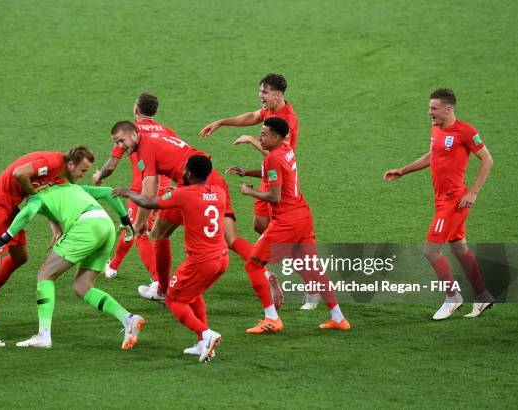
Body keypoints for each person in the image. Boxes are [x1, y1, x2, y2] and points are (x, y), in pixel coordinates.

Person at [111, 120, 259, 306]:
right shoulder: (154, 139)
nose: (120, 146)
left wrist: (140, 224)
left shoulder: (145, 149)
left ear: (134, 135)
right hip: (213, 179)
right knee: (230, 238)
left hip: (193, 184)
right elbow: (155, 182)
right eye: (116, 143)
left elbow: (148, 193)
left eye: (121, 141)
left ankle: (163, 290)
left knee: (158, 233)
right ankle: (264, 271)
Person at [0, 178, 144, 349]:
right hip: (106, 226)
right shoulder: (70, 186)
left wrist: (5, 238)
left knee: (45, 275)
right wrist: (125, 222)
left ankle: (43, 335)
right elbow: (109, 192)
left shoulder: (38, 197)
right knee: (82, 286)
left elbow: (26, 214)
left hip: (86, 227)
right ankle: (128, 319)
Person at [227, 117, 350, 333]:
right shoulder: (286, 149)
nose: (260, 137)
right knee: (314, 269)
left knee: (253, 265)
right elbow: (277, 174)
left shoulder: (273, 158)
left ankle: (272, 319)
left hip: (286, 221)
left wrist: (251, 192)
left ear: (275, 137)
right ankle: (339, 318)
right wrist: (246, 171)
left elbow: (274, 197)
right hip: (303, 215)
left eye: (264, 134)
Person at [384, 88, 494, 320]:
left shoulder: (466, 131)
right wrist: (403, 170)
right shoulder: (436, 128)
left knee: (431, 250)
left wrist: (473, 192)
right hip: (441, 198)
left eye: (433, 108)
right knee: (458, 248)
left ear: (448, 109)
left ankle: (452, 297)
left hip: (455, 200)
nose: (429, 112)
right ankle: (483, 295)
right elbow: (433, 154)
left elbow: (487, 159)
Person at [0, 146, 95, 346]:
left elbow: (43, 201)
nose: (83, 176)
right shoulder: (53, 162)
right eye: (82, 171)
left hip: (10, 208)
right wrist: (31, 189)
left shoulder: (59, 177)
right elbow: (20, 174)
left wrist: (56, 228)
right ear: (70, 164)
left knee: (20, 256)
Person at [200, 73, 300, 308]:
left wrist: (250, 139)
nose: (261, 96)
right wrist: (222, 122)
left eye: (265, 92)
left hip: (280, 178)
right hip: (269, 174)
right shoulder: (271, 111)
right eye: (260, 91)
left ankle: (304, 275)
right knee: (260, 225)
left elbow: (274, 153)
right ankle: (275, 264)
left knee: (278, 231)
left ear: (278, 94)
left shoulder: (287, 120)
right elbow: (254, 116)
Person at [114, 155, 226, 362]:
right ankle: (203, 342)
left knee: (174, 300)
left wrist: (128, 192)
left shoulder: (184, 195)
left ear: (189, 174)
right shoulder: (219, 193)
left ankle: (207, 334)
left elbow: (149, 201)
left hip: (201, 261)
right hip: (221, 258)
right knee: (193, 294)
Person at [93, 93, 172, 281]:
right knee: (135, 228)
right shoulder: (166, 131)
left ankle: (158, 281)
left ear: (136, 108)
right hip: (165, 188)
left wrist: (99, 175)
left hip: (142, 188)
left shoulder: (130, 132)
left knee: (140, 232)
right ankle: (113, 266)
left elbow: (112, 164)